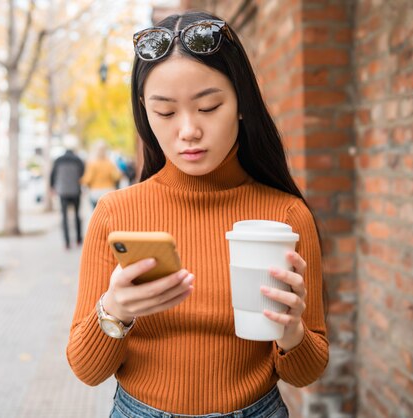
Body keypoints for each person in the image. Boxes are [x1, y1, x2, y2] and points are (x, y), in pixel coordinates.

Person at [66, 11, 329, 417]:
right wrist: (114, 310)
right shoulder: (115, 212)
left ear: (241, 103)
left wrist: (293, 334)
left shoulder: (286, 215)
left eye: (208, 107)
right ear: (144, 112)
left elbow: (305, 373)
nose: (188, 130)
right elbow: (87, 370)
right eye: (166, 113)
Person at [50, 142, 85, 249]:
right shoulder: (78, 159)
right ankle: (79, 239)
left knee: (64, 217)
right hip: (75, 190)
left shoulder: (58, 160)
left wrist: (52, 187)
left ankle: (67, 242)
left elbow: (52, 175)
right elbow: (83, 173)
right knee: (77, 215)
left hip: (63, 191)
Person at [81, 141, 121, 208]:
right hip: (108, 192)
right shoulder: (110, 163)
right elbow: (116, 177)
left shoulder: (92, 164)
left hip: (95, 192)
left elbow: (88, 179)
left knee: (96, 215)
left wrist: (81, 180)